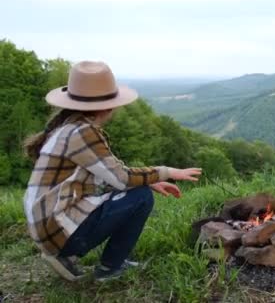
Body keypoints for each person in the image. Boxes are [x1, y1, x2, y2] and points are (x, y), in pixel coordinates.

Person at [23, 61, 202, 282]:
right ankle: (109, 268)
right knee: (140, 197)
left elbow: (103, 176)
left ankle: (65, 255)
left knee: (139, 190)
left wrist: (149, 181)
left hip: (46, 227)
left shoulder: (68, 128)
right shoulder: (84, 132)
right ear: (108, 106)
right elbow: (121, 178)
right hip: (57, 231)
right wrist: (166, 172)